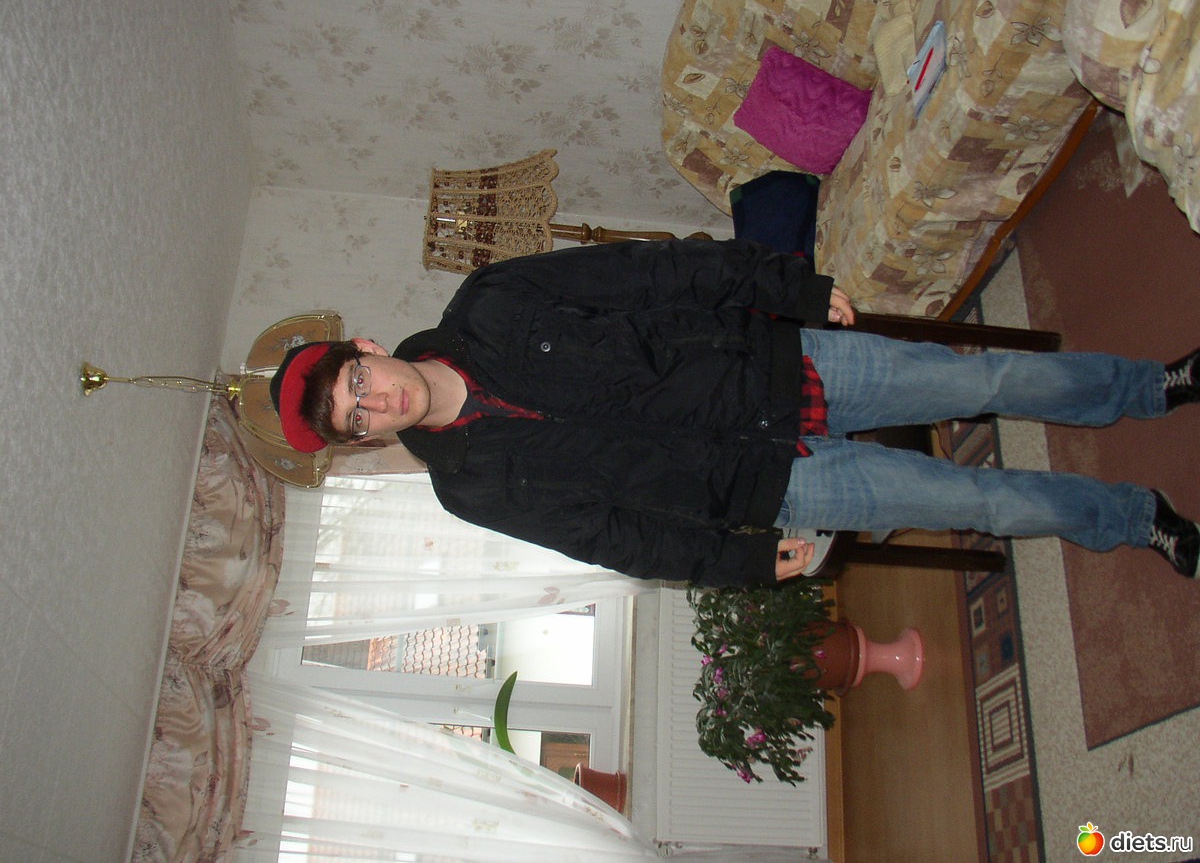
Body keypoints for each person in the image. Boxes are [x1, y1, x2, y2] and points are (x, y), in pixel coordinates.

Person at [269, 239, 1200, 587]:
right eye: (358, 420)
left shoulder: (493, 303)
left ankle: (1149, 389)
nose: (374, 403)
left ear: (367, 348)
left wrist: (789, 288)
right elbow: (610, 537)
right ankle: (1135, 519)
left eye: (358, 383)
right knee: (976, 503)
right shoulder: (469, 489)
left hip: (782, 372)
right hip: (773, 482)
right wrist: (742, 559)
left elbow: (653, 272)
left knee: (983, 383)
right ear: (365, 441)